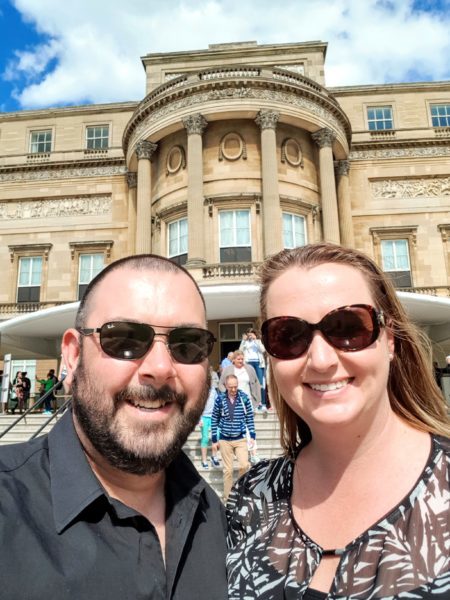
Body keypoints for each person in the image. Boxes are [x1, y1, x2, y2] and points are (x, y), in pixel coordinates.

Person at [227, 242, 450, 599]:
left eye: (348, 327)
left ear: (389, 339)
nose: (320, 359)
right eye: (289, 336)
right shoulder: (251, 496)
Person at [0, 254, 227, 599]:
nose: (161, 367)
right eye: (124, 340)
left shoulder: (225, 520)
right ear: (73, 355)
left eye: (187, 344)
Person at [211, 374, 256, 501]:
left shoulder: (244, 398)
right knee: (228, 470)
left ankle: (240, 491)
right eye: (231, 387)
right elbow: (214, 419)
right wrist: (214, 439)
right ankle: (227, 497)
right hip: (225, 439)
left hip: (240, 438)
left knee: (244, 465)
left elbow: (249, 418)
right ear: (225, 386)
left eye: (235, 386)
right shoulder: (220, 399)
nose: (233, 389)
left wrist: (252, 435)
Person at [240, 328, 267, 411]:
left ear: (254, 334)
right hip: (249, 363)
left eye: (251, 333)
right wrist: (243, 341)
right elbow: (240, 351)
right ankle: (253, 404)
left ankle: (262, 404)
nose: (250, 335)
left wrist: (255, 340)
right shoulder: (245, 342)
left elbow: (263, 350)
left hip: (258, 363)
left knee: (260, 384)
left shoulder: (258, 341)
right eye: (248, 333)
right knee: (251, 383)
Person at [199, 384, 221, 469]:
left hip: (213, 416)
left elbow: (217, 403)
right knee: (205, 438)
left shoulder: (213, 390)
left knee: (217, 436)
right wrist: (199, 419)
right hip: (203, 417)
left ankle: (213, 456)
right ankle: (204, 460)